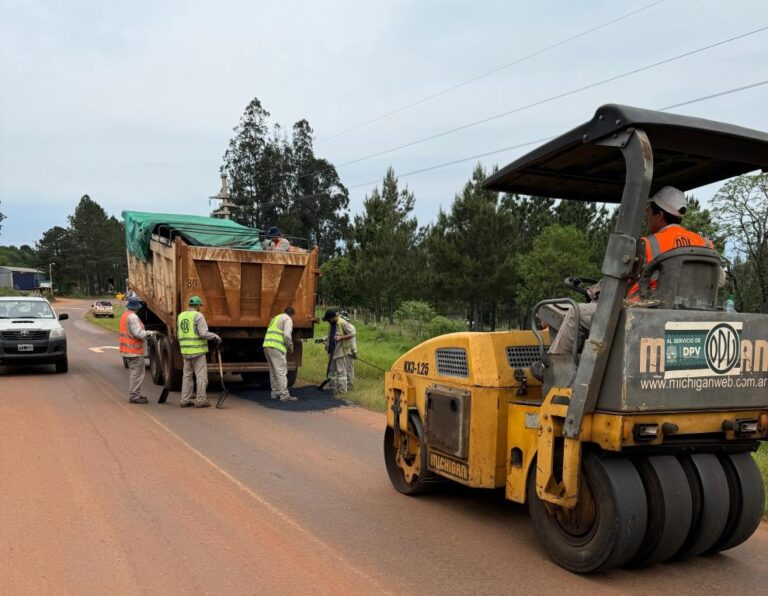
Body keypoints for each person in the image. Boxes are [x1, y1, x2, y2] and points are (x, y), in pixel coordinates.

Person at [548, 186, 719, 356]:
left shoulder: (648, 244)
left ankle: (552, 371)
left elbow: (622, 280)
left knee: (574, 314)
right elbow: (719, 280)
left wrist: (596, 290)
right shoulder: (705, 245)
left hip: (642, 314)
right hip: (690, 316)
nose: (647, 217)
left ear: (659, 215)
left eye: (649, 212)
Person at [177, 295, 221, 408]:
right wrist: (215, 336)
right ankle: (201, 400)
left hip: (185, 350)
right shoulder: (198, 316)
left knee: (187, 376)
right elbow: (203, 333)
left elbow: (178, 334)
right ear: (197, 306)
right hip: (197, 351)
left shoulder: (181, 316)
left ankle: (184, 400)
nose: (200, 308)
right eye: (199, 306)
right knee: (201, 376)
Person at [119, 296, 156, 404]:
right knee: (137, 374)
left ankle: (135, 394)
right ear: (137, 307)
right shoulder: (133, 317)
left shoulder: (125, 315)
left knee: (134, 373)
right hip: (134, 351)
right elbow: (138, 333)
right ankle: (134, 396)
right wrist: (151, 333)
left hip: (128, 350)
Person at [262, 306, 297, 402]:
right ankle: (284, 395)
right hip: (276, 348)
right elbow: (286, 335)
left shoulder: (276, 317)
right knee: (281, 371)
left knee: (273, 371)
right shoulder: (288, 319)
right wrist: (290, 347)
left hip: (267, 346)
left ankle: (275, 393)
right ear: (292, 315)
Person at [320, 309, 357, 392]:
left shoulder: (342, 323)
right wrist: (328, 345)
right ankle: (331, 387)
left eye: (328, 319)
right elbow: (330, 336)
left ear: (333, 318)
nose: (328, 321)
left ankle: (342, 389)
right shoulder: (331, 324)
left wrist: (341, 337)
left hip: (340, 351)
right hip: (332, 350)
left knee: (341, 371)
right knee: (331, 370)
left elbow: (352, 334)